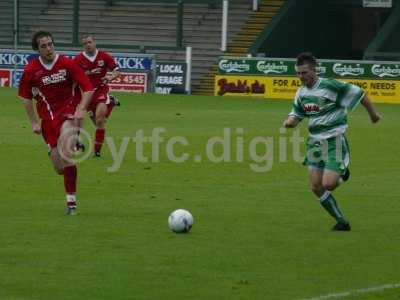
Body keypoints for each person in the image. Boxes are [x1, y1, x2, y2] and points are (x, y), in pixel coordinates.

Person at [283, 52, 381, 231]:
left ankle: (344, 175)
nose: (300, 76)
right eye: (298, 73)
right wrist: (291, 122)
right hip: (314, 143)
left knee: (329, 184)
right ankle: (341, 221)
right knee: (315, 186)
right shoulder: (301, 92)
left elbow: (360, 94)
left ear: (314, 70)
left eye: (304, 73)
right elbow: (297, 114)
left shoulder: (330, 85)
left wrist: (373, 115)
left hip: (333, 140)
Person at [18, 31, 93, 215]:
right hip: (48, 121)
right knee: (59, 168)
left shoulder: (67, 64)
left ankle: (71, 204)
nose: (48, 48)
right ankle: (61, 145)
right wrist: (34, 122)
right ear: (37, 49)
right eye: (43, 46)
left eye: (50, 44)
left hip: (68, 113)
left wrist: (81, 108)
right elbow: (25, 97)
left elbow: (88, 88)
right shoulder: (31, 70)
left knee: (67, 153)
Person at [73, 35, 121, 157]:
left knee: (100, 120)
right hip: (85, 94)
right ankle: (76, 141)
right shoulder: (78, 59)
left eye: (89, 42)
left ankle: (97, 152)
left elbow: (117, 71)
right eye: (85, 44)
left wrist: (109, 77)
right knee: (82, 120)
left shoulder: (104, 56)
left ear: (94, 42)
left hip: (100, 90)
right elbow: (72, 77)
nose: (87, 45)